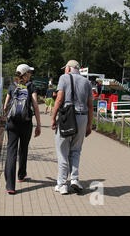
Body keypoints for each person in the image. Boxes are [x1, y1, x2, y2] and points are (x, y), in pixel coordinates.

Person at [51, 60, 93, 195]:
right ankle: (74, 179)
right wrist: (89, 124)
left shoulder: (63, 78)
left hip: (67, 118)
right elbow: (91, 105)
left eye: (65, 68)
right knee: (75, 150)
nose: (64, 70)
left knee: (63, 151)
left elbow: (59, 99)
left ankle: (62, 184)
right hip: (82, 117)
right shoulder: (87, 82)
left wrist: (53, 118)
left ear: (69, 69)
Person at [3, 64, 42, 194]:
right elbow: (35, 106)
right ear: (25, 74)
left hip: (12, 123)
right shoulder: (31, 86)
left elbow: (5, 106)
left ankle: (10, 185)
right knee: (23, 148)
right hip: (26, 123)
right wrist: (39, 125)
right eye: (29, 72)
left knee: (11, 152)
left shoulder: (12, 85)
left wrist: (8, 116)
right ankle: (21, 175)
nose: (30, 74)